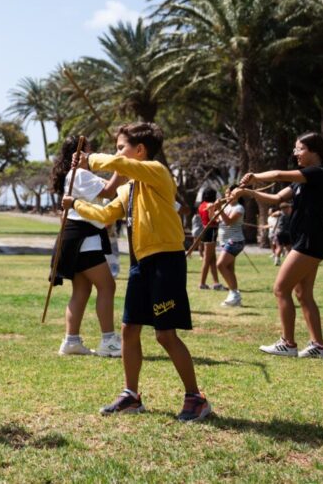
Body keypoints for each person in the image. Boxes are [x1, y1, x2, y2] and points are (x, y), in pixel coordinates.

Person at [63, 122, 212, 422]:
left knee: (165, 335)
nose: (117, 152)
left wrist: (90, 160)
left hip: (166, 261)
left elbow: (120, 165)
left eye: (121, 147)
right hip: (140, 264)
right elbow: (106, 215)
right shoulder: (129, 188)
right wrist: (76, 204)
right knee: (129, 330)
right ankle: (131, 395)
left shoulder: (156, 171)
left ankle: (196, 398)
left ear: (140, 150)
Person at [230, 131, 323, 359]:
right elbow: (277, 199)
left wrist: (254, 176)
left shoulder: (316, 173)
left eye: (300, 149)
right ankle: (319, 347)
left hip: (310, 239)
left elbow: (277, 174)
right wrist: (247, 192)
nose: (296, 153)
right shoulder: (302, 180)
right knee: (303, 294)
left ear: (314, 151)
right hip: (308, 239)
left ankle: (288, 343)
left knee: (280, 289)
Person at [50, 136, 122, 358]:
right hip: (83, 239)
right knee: (107, 286)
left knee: (82, 290)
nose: (92, 154)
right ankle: (108, 341)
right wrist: (122, 164)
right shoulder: (79, 174)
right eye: (89, 150)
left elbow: (108, 189)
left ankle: (71, 341)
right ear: (81, 152)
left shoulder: (80, 175)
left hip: (77, 238)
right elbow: (109, 191)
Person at [215, 195, 245, 307]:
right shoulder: (225, 206)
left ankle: (234, 294)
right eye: (227, 194)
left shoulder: (239, 208)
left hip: (235, 241)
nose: (228, 196)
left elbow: (228, 222)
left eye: (231, 194)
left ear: (237, 196)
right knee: (229, 269)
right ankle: (234, 296)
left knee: (220, 264)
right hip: (225, 242)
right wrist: (213, 208)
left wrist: (219, 209)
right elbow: (215, 219)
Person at [197, 189, 224, 291]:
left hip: (205, 230)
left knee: (212, 259)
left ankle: (216, 283)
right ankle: (202, 283)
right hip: (211, 231)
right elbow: (212, 218)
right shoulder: (210, 205)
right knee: (207, 259)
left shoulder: (201, 205)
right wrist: (218, 217)